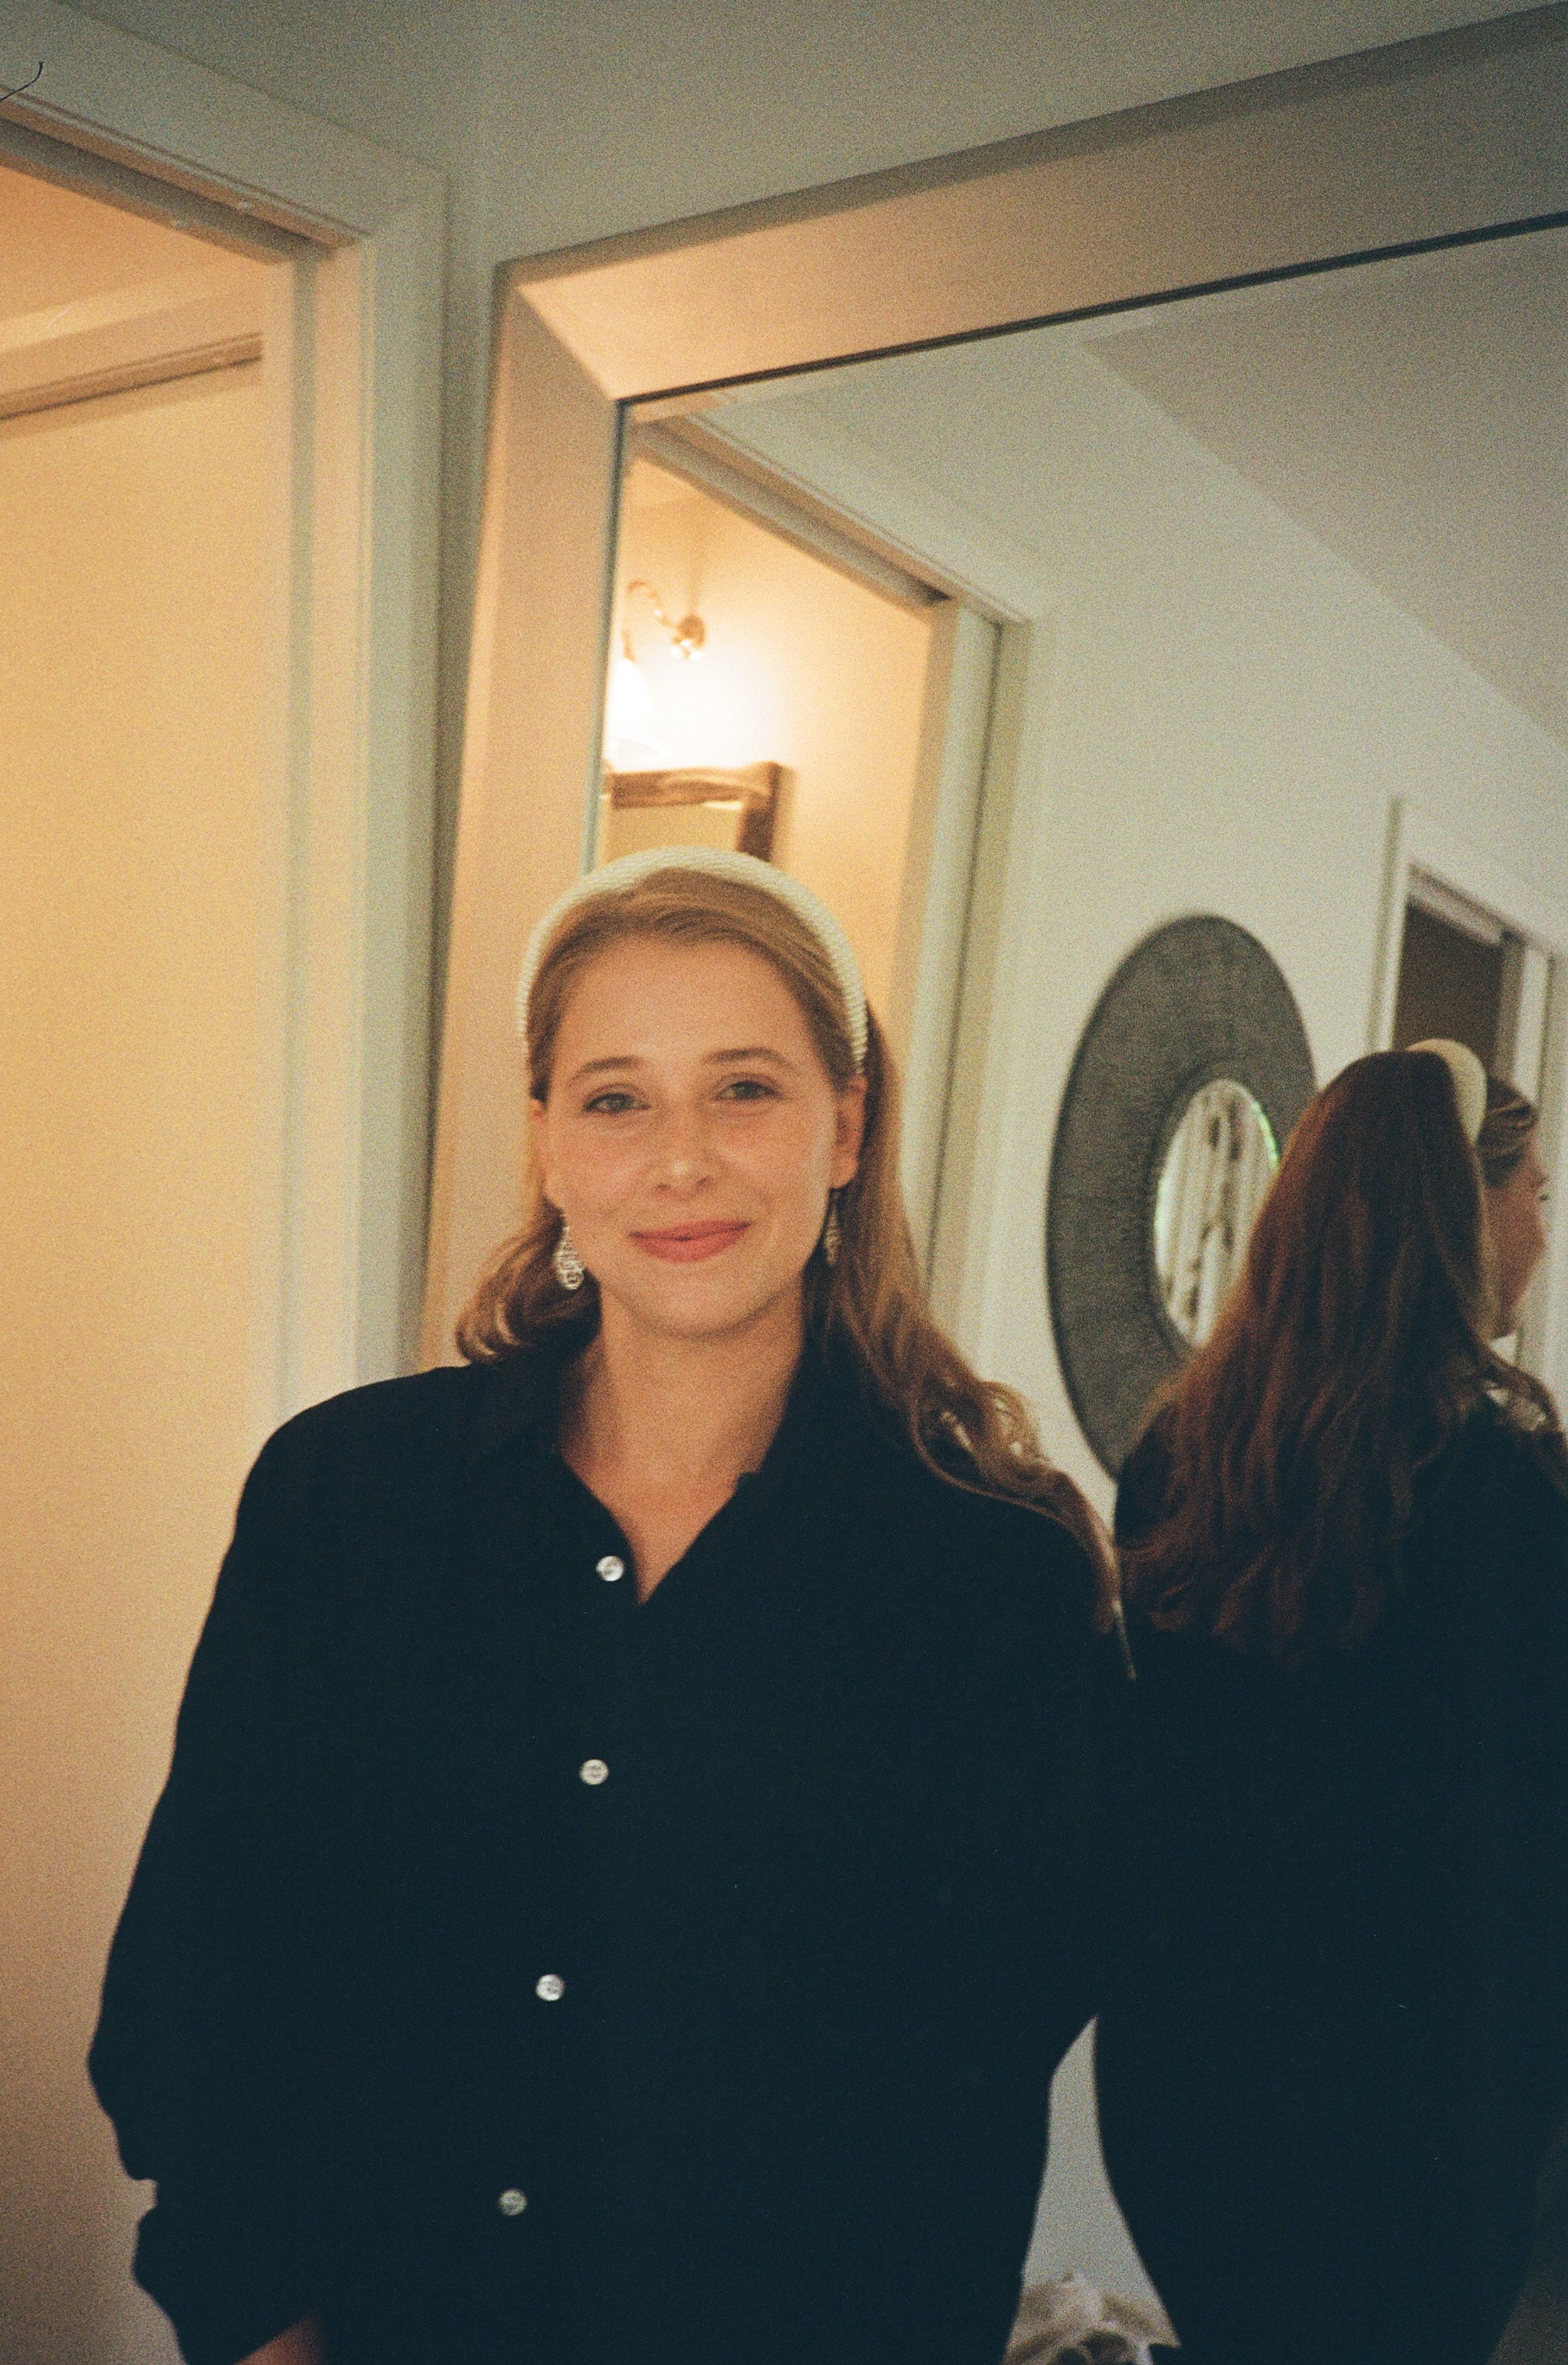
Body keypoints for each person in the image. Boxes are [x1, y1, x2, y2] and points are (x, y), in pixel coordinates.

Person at [90, 847, 1111, 2365]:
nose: (679, 1158)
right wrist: (262, 2325)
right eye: (617, 1096)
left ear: (844, 1125)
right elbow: (201, 1968)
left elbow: (958, 2113)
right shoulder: (345, 1497)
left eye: (745, 1089)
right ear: (551, 1145)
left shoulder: (994, 1580)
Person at [1093, 1042, 1568, 2365]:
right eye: (1533, 1188)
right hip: (1413, 2114)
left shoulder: (1171, 1460)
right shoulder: (1510, 1493)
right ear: (1460, 1212)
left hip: (1185, 2085)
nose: (1541, 1223)